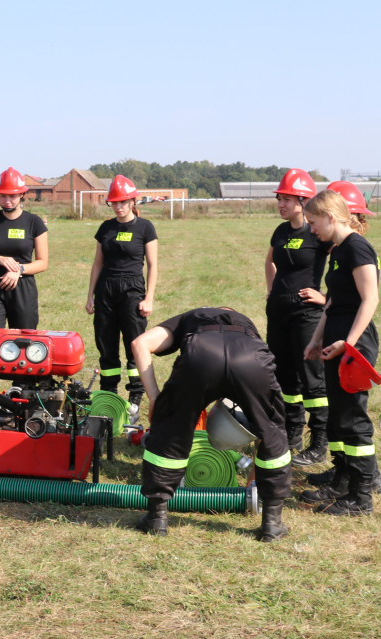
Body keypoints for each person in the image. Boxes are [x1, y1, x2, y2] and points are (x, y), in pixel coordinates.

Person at [131, 307, 292, 541]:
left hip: (200, 356)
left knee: (171, 430)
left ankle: (157, 518)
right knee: (272, 432)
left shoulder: (190, 317)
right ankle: (272, 523)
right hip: (250, 358)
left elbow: (140, 343)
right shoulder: (246, 323)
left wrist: (156, 398)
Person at [301, 190, 379, 516]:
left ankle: (361, 497)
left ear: (331, 217)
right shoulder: (337, 251)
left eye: (314, 222)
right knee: (339, 417)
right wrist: (316, 338)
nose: (311, 229)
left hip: (354, 345)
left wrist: (348, 343)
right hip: (335, 341)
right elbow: (332, 303)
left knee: (353, 419)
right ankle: (342, 481)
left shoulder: (358, 247)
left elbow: (370, 298)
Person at [264, 169, 329, 467]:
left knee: (312, 378)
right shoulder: (280, 231)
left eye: (287, 199)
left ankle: (319, 440)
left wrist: (325, 298)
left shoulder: (317, 233)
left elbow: (349, 268)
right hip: (279, 312)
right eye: (280, 198)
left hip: (306, 315)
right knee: (283, 375)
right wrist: (271, 291)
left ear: (303, 201)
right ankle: (292, 434)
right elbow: (270, 261)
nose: (281, 204)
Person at [86, 175, 158, 408]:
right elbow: (97, 263)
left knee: (133, 343)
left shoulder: (145, 227)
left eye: (123, 202)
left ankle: (136, 395)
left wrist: (149, 298)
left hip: (132, 289)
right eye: (114, 202)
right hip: (106, 289)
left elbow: (153, 265)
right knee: (106, 343)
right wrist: (90, 296)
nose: (118, 206)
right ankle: (109, 393)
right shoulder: (106, 227)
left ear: (132, 201)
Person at [0, 166, 48, 331]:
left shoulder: (34, 222)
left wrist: (18, 269)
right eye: (3, 196)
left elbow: (42, 263)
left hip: (23, 288)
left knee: (24, 339)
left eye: (12, 196)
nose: (7, 201)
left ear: (22, 195)